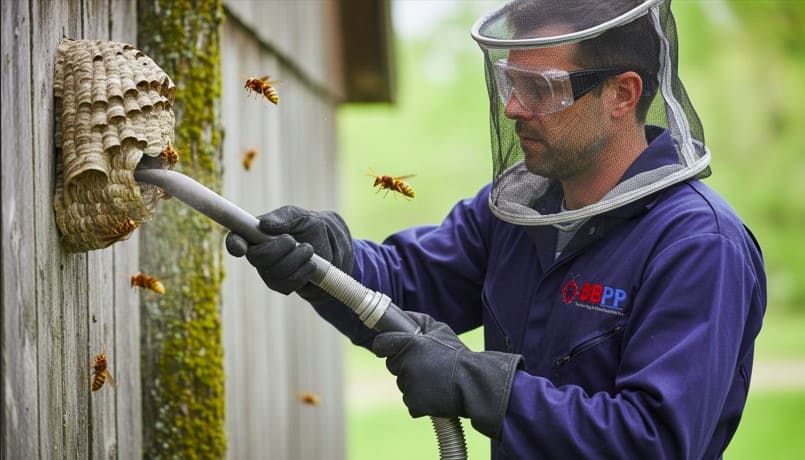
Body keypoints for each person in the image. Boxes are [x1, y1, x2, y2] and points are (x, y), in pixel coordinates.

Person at [226, 0, 766, 458]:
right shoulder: (517, 213)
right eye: (511, 83)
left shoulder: (698, 245)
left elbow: (653, 440)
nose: (512, 107)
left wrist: (478, 383)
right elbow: (405, 284)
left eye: (540, 88)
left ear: (622, 95)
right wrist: (327, 261)